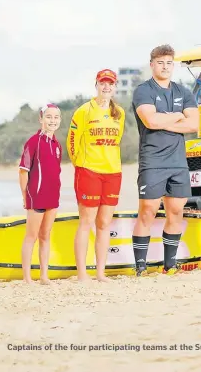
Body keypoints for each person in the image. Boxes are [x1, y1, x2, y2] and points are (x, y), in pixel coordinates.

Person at [131, 44, 199, 276]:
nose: (165, 67)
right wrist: (178, 116)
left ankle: (169, 264)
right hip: (152, 160)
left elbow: (194, 125)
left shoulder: (183, 92)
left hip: (178, 162)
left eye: (169, 63)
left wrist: (166, 119)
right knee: (148, 211)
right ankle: (140, 265)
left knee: (176, 212)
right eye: (160, 62)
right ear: (152, 65)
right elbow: (150, 121)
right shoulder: (143, 91)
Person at [67, 69, 125, 282]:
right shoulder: (84, 111)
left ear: (115, 86)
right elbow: (71, 142)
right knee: (86, 221)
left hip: (113, 173)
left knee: (104, 223)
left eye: (110, 83)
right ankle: (82, 273)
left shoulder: (119, 112)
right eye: (103, 83)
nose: (106, 87)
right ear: (97, 85)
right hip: (89, 171)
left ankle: (101, 272)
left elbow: (116, 140)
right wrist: (80, 165)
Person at [18, 103, 63, 284]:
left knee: (45, 235)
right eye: (48, 117)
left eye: (56, 117)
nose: (52, 121)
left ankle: (44, 276)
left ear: (59, 120)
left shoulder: (57, 144)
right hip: (36, 196)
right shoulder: (33, 142)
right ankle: (27, 278)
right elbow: (23, 171)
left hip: (53, 196)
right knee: (32, 236)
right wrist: (25, 196)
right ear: (41, 119)